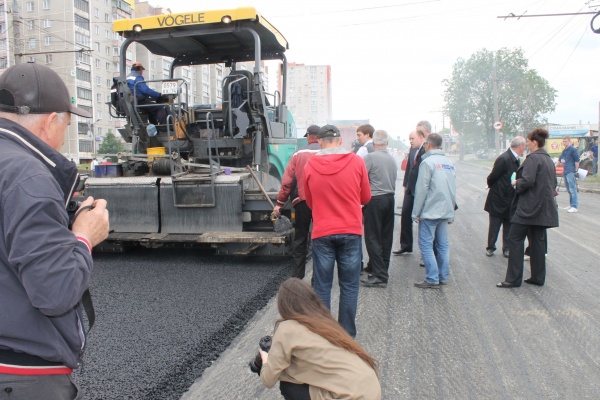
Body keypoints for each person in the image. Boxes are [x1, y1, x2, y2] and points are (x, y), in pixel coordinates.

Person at [0, 63, 110, 399]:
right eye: (67, 122)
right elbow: (55, 292)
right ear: (51, 121)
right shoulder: (29, 178)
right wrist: (83, 236)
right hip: (23, 375)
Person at [259, 278, 381, 400]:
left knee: (288, 387)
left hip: (351, 396)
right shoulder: (324, 322)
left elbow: (268, 380)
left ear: (283, 306)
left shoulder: (286, 328)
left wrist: (265, 359)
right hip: (371, 390)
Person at [304, 125, 371, 337]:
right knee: (349, 285)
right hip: (350, 231)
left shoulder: (310, 164)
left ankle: (325, 334)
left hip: (323, 231)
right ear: (340, 141)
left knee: (323, 286)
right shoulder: (356, 161)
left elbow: (308, 199)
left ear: (320, 142)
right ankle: (346, 334)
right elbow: (365, 198)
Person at [497, 128, 559, 288]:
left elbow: (528, 181)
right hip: (543, 210)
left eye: (529, 142)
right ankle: (538, 277)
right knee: (538, 243)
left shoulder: (533, 159)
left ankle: (513, 279)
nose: (528, 145)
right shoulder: (548, 160)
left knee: (514, 239)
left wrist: (517, 183)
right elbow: (553, 184)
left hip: (528, 209)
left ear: (535, 142)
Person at [273, 125, 321, 280]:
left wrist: (279, 204)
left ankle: (297, 278)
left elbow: (287, 182)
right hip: (323, 203)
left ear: (308, 136)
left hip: (302, 202)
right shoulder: (327, 153)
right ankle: (318, 279)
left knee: (300, 238)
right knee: (320, 239)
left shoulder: (298, 154)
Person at [412, 134, 456, 288]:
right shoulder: (449, 163)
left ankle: (432, 278)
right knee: (443, 245)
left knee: (426, 245)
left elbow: (422, 190)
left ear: (429, 145)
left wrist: (415, 212)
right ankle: (443, 276)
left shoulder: (427, 163)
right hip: (445, 210)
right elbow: (452, 189)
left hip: (430, 211)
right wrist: (451, 212)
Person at [361, 130, 397, 288]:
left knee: (372, 237)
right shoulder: (392, 159)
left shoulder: (370, 157)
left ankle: (380, 276)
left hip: (375, 200)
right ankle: (380, 268)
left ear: (373, 143)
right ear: (387, 143)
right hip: (389, 199)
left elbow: (360, 178)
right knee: (386, 237)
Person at [484, 136, 526, 258]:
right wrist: (492, 187)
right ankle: (490, 247)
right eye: (524, 146)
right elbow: (492, 176)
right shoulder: (504, 158)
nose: (524, 148)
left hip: (510, 198)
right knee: (495, 224)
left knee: (508, 224)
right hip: (498, 197)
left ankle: (506, 248)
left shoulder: (516, 159)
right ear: (520, 146)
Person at [393, 129, 425, 255]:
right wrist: (405, 184)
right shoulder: (412, 150)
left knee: (423, 220)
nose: (410, 141)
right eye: (409, 139)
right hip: (410, 189)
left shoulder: (426, 150)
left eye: (412, 138)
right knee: (405, 216)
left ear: (421, 137)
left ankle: (427, 252)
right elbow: (409, 168)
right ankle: (406, 245)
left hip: (421, 190)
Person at [556, 135, 579, 213]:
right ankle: (571, 204)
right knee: (569, 189)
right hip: (565, 171)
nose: (564, 142)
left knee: (573, 189)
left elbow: (577, 160)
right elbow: (559, 160)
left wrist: (576, 170)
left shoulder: (573, 150)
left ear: (569, 141)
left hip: (571, 171)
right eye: (563, 141)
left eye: (565, 141)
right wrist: (553, 167)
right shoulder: (564, 151)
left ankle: (574, 206)